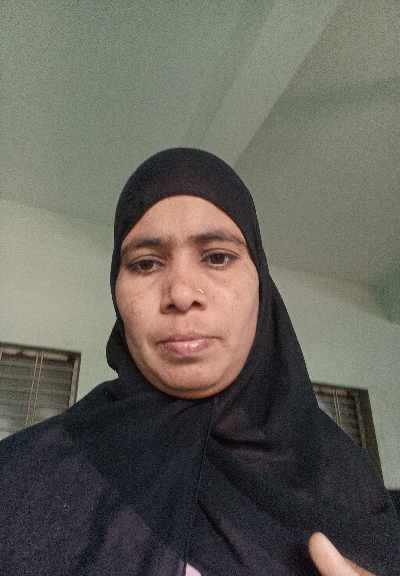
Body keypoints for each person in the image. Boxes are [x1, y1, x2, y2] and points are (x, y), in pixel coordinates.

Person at [0, 148, 398, 575]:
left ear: (261, 286)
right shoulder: (24, 476)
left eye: (217, 257)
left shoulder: (346, 477)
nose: (181, 293)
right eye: (145, 263)